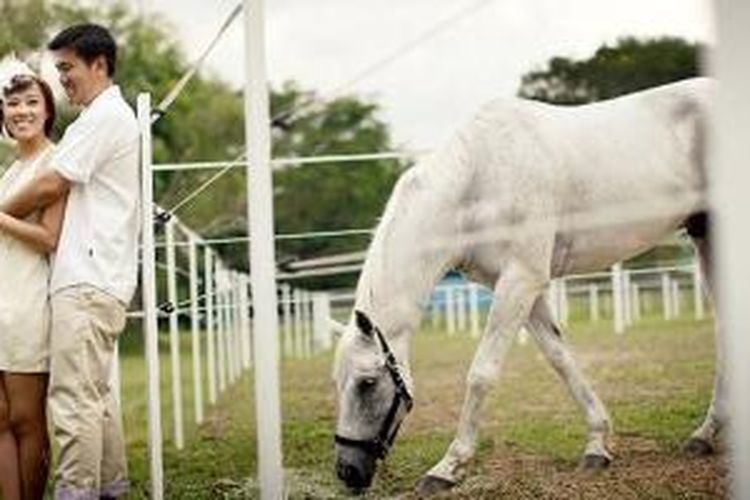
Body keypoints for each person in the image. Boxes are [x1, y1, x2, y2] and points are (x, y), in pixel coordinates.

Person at [0, 23, 140, 500]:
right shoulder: (105, 118)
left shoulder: (103, 119)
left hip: (86, 280)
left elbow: (50, 185)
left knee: (74, 402)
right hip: (99, 278)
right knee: (95, 398)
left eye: (67, 69)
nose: (63, 80)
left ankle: (77, 491)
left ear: (98, 64)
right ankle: (110, 488)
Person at [0, 70, 62, 500]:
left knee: (26, 420)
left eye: (30, 102)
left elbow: (49, 239)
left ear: (47, 110)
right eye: (13, 103)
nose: (21, 111)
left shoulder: (55, 163)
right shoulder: (10, 170)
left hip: (26, 303)